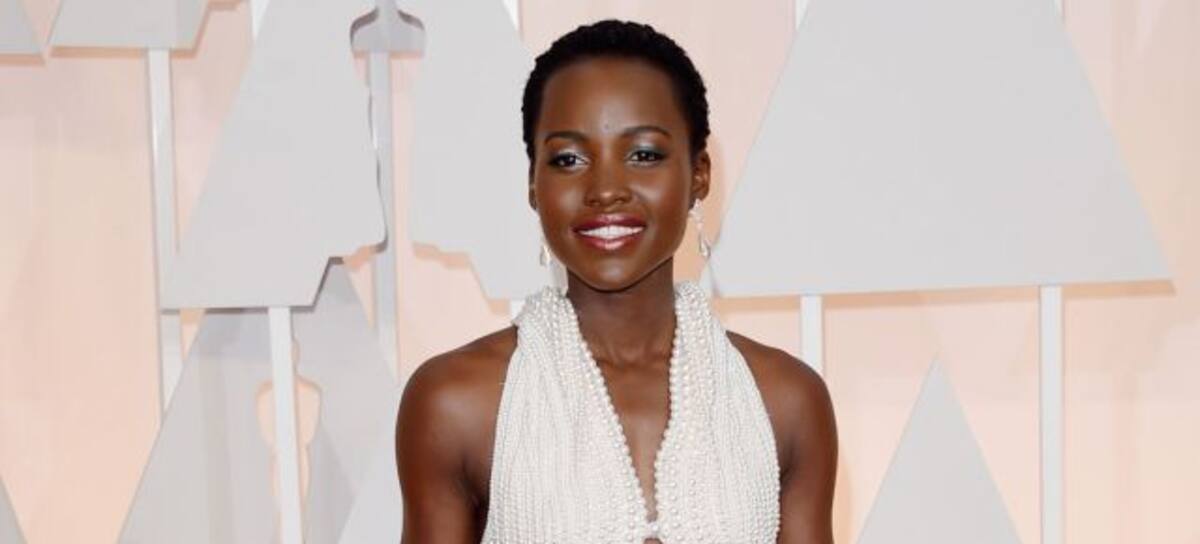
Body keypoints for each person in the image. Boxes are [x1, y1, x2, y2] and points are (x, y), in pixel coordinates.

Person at [396, 19, 837, 543]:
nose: (605, 189)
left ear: (699, 175)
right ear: (534, 184)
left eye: (643, 155)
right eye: (568, 159)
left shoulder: (786, 401)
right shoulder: (455, 404)